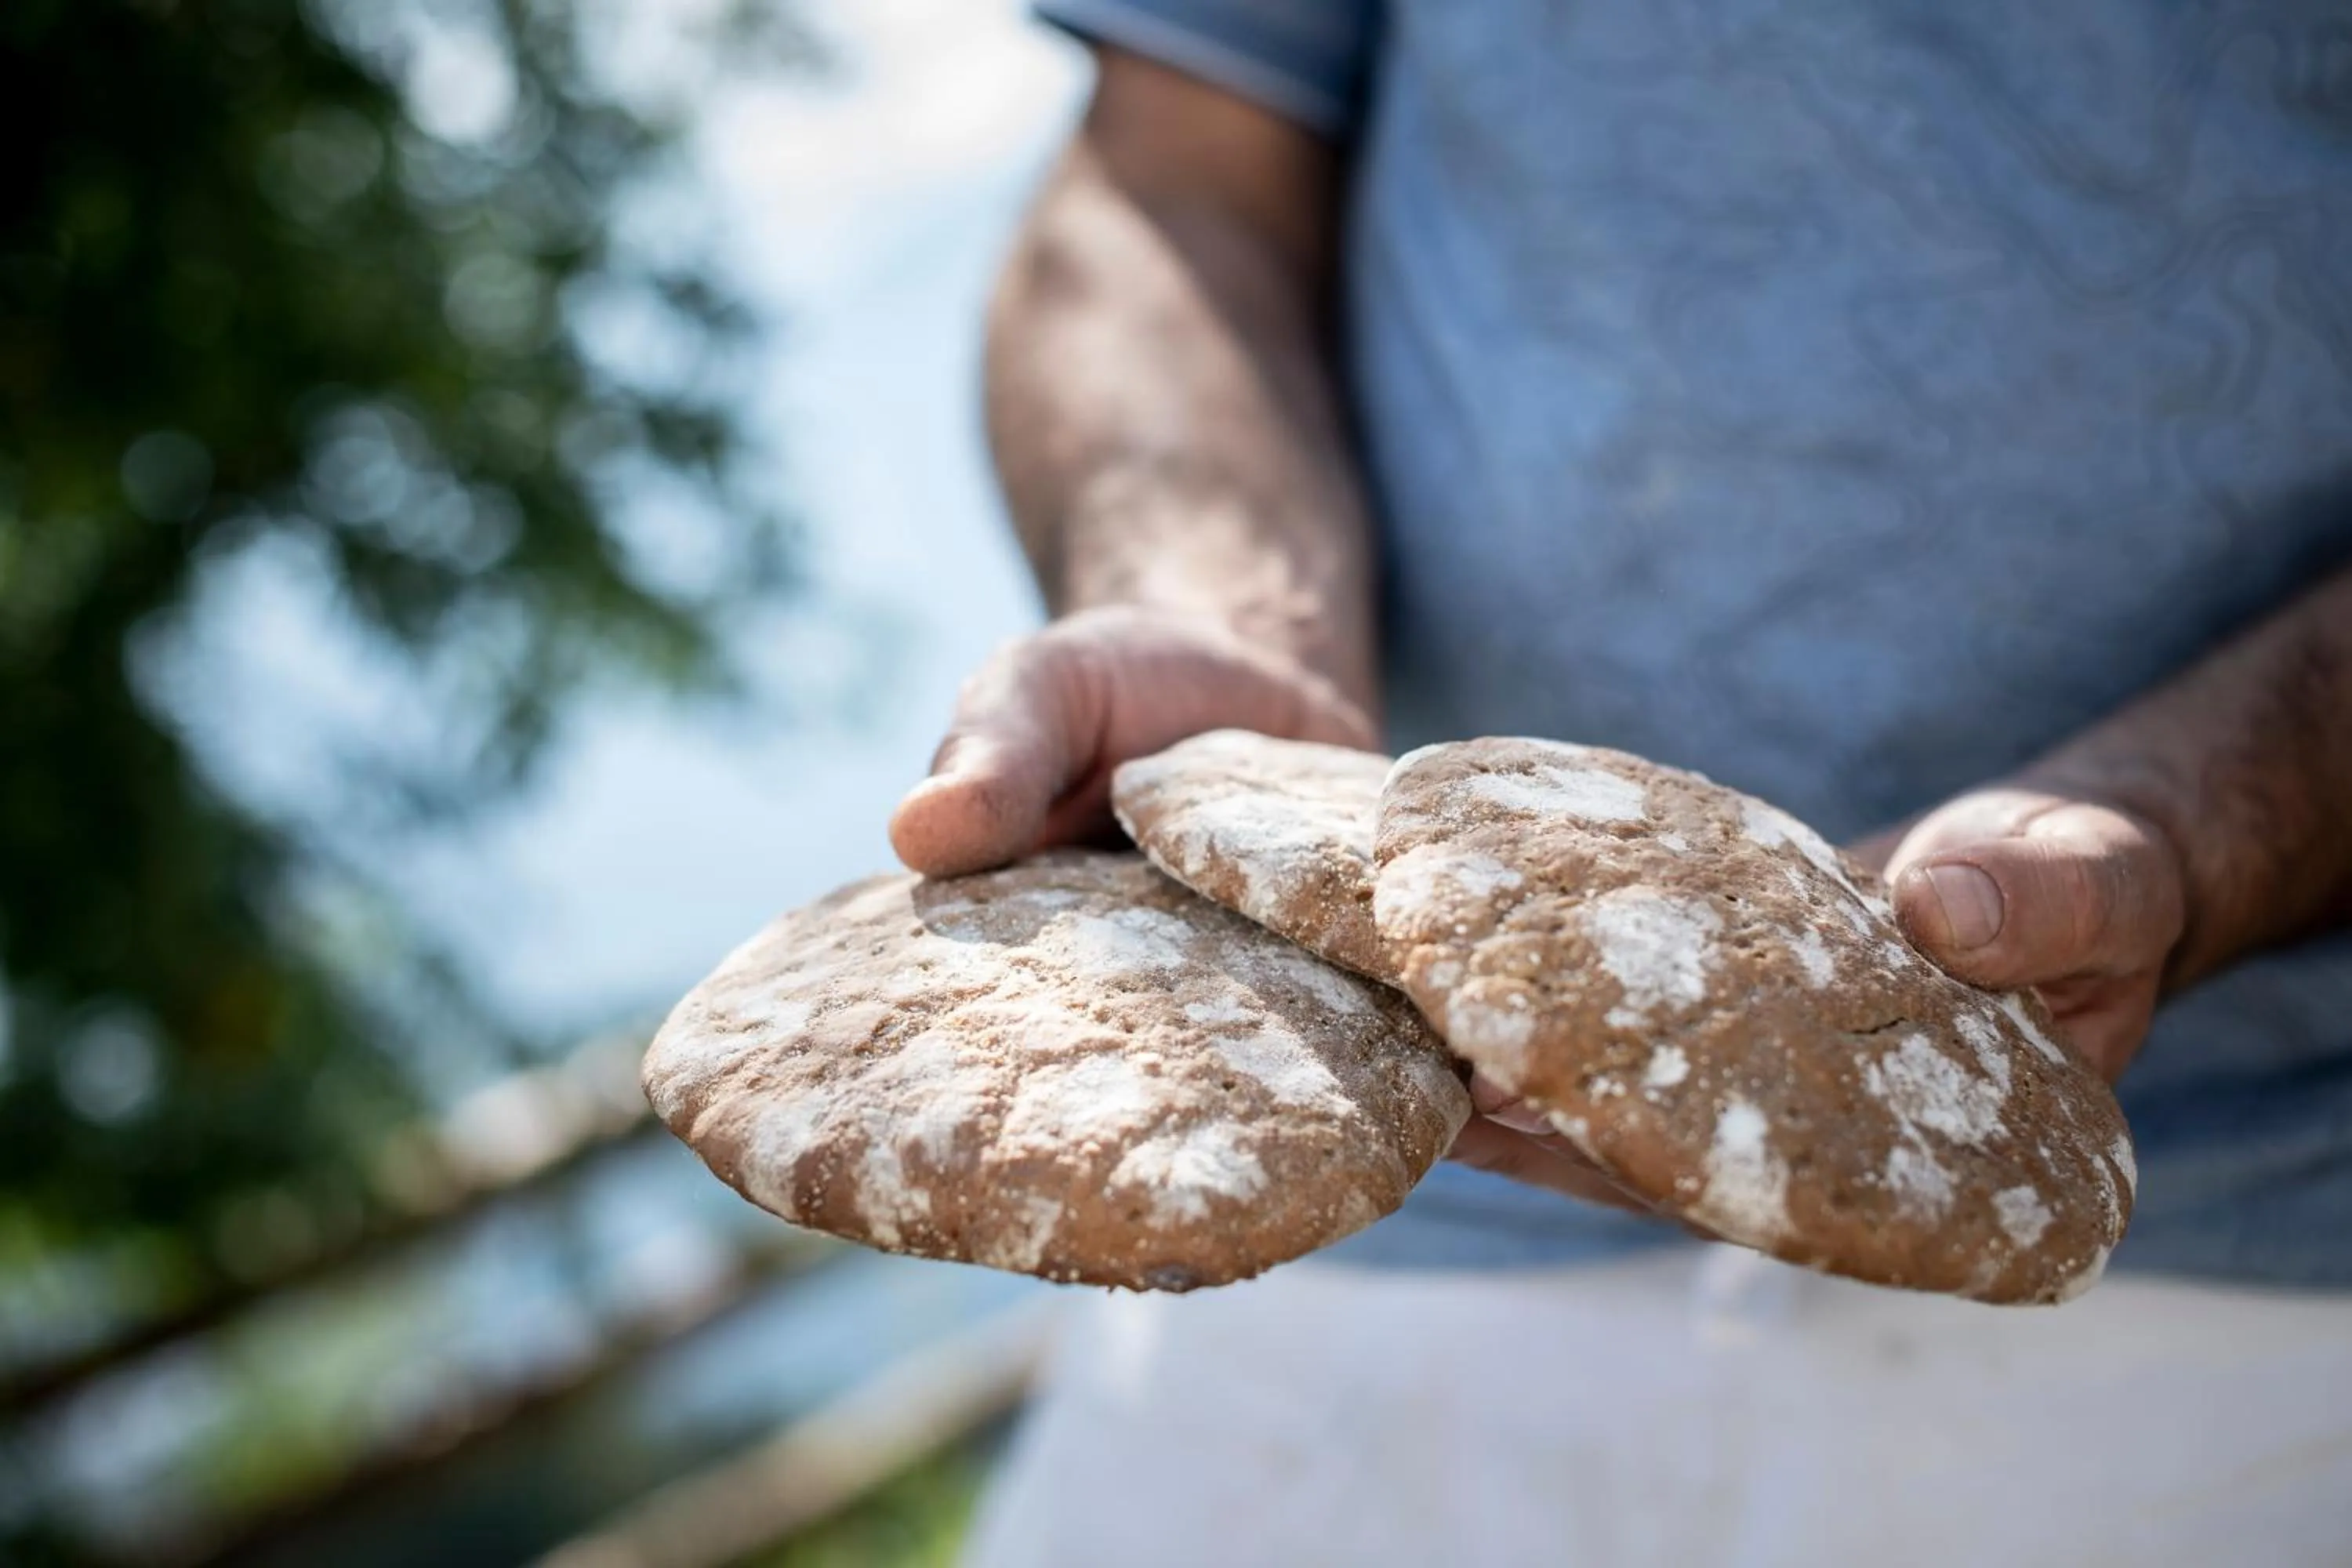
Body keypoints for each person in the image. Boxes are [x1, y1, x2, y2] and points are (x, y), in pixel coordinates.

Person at [889, 4, 2352, 1562]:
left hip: (2209, 1275)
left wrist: (2200, 827)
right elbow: (1166, 186)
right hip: (1335, 1170)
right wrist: (1224, 626)